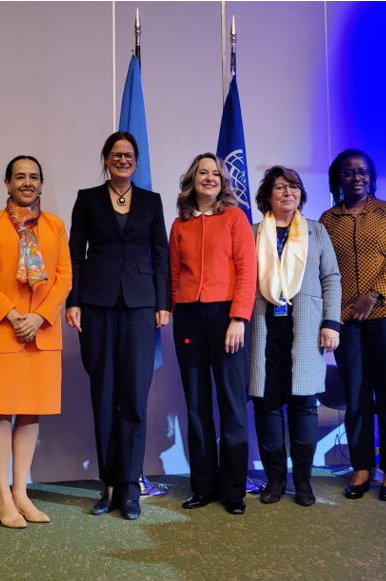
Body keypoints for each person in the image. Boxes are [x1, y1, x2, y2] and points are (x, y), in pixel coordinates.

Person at [66, 132, 170, 520]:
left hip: (142, 306)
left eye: (128, 155)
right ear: (105, 159)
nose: (122, 160)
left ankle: (130, 488)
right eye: (116, 154)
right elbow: (76, 252)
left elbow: (161, 254)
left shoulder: (151, 201)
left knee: (134, 395)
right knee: (104, 394)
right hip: (96, 304)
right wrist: (73, 300)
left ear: (136, 161)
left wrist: (163, 303)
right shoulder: (87, 198)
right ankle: (108, 484)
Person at [0, 156, 71, 528]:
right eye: (19, 177)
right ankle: (1, 497)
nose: (27, 182)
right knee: (1, 410)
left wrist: (39, 317)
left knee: (31, 410)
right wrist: (14, 315)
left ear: (42, 185)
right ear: (7, 184)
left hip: (40, 332)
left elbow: (63, 278)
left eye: (34, 177)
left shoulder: (56, 226)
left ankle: (20, 493)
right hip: (1, 330)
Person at [320, 149, 386, 501]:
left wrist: (373, 295)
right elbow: (325, 269)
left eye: (362, 172)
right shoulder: (329, 219)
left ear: (371, 177)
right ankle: (361, 467)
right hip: (346, 320)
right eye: (348, 173)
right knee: (357, 395)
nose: (356, 177)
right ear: (338, 179)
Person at [249, 166, 341, 507]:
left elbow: (331, 277)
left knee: (304, 406)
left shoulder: (316, 232)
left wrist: (331, 323)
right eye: (280, 187)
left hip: (305, 330)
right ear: (267, 197)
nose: (288, 192)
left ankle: (303, 480)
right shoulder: (254, 232)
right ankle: (275, 479)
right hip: (265, 329)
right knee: (267, 406)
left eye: (294, 187)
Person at [170, 153, 257, 515]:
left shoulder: (236, 218)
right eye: (202, 173)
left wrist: (238, 319)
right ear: (192, 180)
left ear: (223, 181)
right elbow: (174, 275)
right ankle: (203, 487)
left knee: (232, 405)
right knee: (196, 405)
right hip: (189, 316)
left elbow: (246, 271)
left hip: (227, 316)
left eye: (215, 174)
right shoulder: (180, 224)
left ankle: (233, 490)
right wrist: (175, 308)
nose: (209, 178)